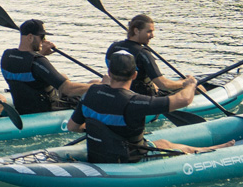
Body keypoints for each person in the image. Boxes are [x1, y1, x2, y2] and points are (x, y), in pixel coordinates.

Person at [67, 50, 225, 163]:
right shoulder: (135, 102)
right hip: (128, 159)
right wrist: (190, 84)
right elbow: (183, 100)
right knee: (165, 144)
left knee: (161, 142)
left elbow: (72, 126)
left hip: (98, 154)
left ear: (108, 72)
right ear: (134, 75)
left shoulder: (90, 93)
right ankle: (215, 150)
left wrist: (100, 130)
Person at [0, 18, 98, 115]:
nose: (44, 41)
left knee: (63, 76)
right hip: (47, 108)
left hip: (23, 105)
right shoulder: (38, 61)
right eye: (42, 37)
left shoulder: (7, 56)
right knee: (95, 84)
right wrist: (101, 88)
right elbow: (68, 89)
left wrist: (40, 53)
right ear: (30, 37)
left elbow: (27, 68)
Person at [106, 13, 190, 96]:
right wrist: (184, 83)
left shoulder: (113, 47)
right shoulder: (143, 53)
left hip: (122, 92)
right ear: (136, 31)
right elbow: (163, 85)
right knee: (198, 87)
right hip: (147, 97)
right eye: (149, 31)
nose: (152, 36)